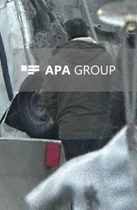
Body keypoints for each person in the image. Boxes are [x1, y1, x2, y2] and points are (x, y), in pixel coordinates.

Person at [40, 18, 116, 160]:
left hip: (70, 129)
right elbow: (115, 93)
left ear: (67, 35)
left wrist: (61, 118)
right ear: (87, 32)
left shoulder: (58, 60)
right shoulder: (105, 57)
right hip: (100, 129)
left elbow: (46, 97)